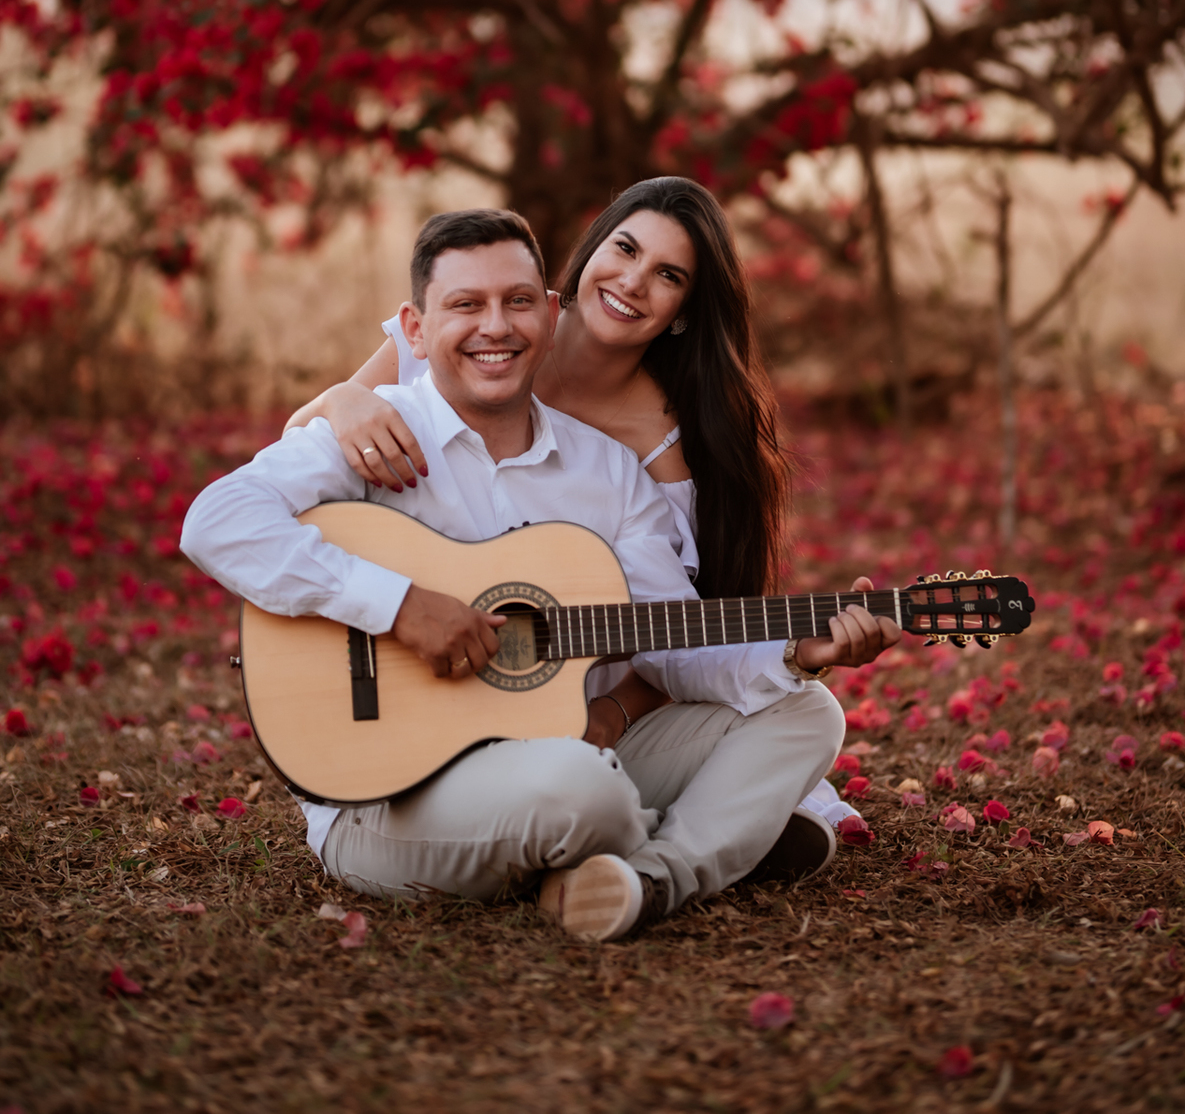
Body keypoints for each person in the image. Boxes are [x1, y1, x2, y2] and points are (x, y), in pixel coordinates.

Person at [183, 208, 899, 941]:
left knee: (807, 712)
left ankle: (648, 880)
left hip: (567, 754)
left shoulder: (612, 473)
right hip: (384, 793)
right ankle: (724, 831)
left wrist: (793, 651)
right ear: (417, 328)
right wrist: (396, 604)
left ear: (551, 316)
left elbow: (670, 636)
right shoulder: (375, 432)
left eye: (518, 301)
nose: (496, 325)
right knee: (580, 788)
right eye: (467, 304)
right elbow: (216, 520)